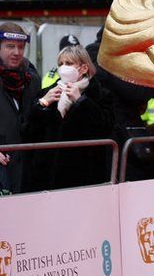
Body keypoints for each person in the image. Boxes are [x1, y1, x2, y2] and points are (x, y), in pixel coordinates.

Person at [22, 45, 114, 192]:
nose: (63, 68)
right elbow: (28, 131)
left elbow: (105, 127)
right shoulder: (47, 92)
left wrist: (81, 101)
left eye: (69, 63)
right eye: (61, 64)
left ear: (83, 68)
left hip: (84, 174)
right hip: (47, 175)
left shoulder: (100, 94)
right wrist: (42, 104)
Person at [86, 26, 154, 180]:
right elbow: (138, 93)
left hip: (114, 133)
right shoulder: (105, 57)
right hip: (118, 133)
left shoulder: (97, 55)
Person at [0, 22, 41, 197]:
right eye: (10, 46)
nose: (17, 52)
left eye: (21, 47)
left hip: (24, 171)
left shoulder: (31, 78)